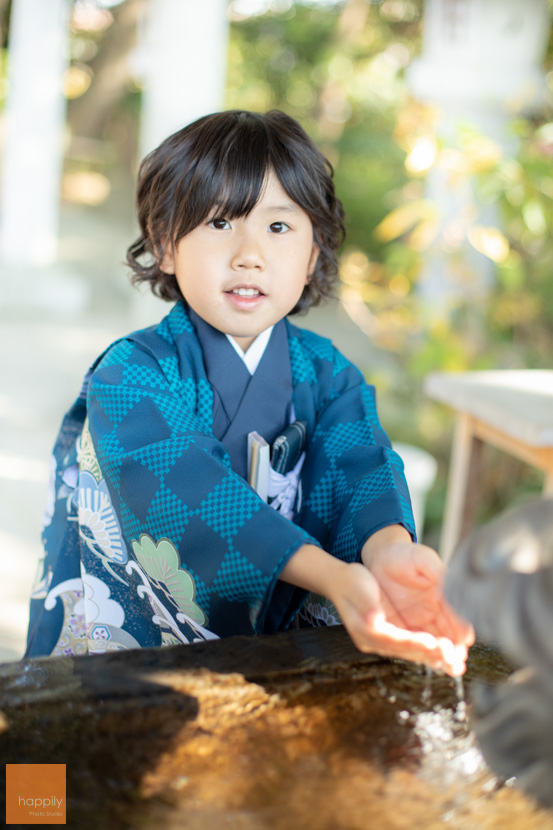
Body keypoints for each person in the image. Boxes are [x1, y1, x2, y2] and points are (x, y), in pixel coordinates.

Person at [25, 109, 474, 674]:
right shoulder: (132, 372)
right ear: (165, 245)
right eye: (219, 223)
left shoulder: (329, 373)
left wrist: (391, 552)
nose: (249, 253)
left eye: (279, 227)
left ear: (313, 256)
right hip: (123, 650)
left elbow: (362, 467)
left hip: (259, 658)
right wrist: (333, 577)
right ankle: (31, 770)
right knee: (47, 753)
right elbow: (187, 489)